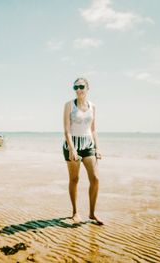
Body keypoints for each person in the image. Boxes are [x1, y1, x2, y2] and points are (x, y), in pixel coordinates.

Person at [63, 77, 103, 225]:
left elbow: (93, 129)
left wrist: (98, 148)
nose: (78, 90)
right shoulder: (69, 105)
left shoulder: (92, 106)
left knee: (95, 179)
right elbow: (66, 130)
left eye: (81, 86)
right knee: (74, 179)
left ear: (87, 88)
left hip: (88, 145)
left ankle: (92, 213)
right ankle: (75, 213)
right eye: (75, 88)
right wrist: (72, 149)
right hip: (73, 145)